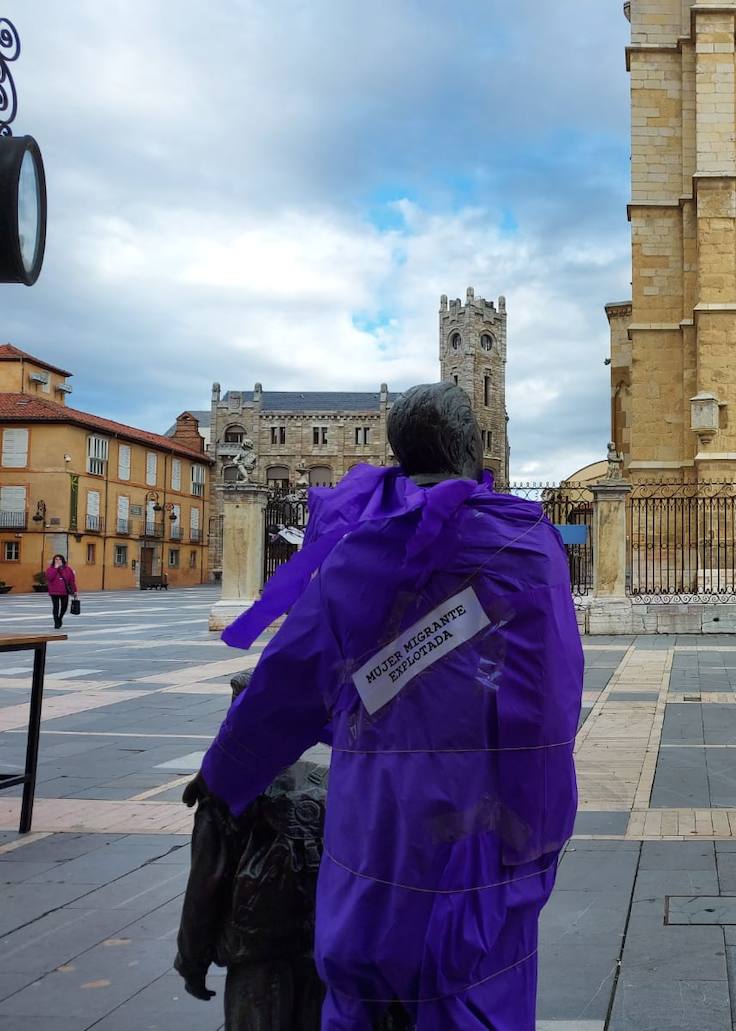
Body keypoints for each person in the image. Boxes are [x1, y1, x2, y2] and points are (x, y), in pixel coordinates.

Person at [186, 382, 583, 1030]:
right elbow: (553, 694)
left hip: (379, 819)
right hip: (484, 823)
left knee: (368, 984)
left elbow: (290, 676)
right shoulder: (530, 548)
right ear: (469, 447)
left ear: (399, 451)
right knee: (478, 987)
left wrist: (224, 772)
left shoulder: (361, 551)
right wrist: (536, 824)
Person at [175, 671, 328, 1031]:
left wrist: (191, 960)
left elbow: (205, 883)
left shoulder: (223, 791)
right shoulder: (325, 780)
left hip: (254, 950)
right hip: (317, 942)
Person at [44, 555, 76, 629]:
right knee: (56, 607)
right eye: (56, 559)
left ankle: (60, 618)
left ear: (62, 560)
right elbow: (49, 578)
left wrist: (74, 591)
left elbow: (72, 581)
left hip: (64, 591)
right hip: (54, 591)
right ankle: (56, 622)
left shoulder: (68, 569)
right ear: (54, 561)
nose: (58, 561)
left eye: (59, 559)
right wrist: (55, 568)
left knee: (64, 607)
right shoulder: (50, 569)